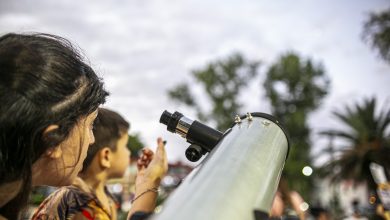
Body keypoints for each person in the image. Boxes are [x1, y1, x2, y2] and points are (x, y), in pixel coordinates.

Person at [0, 33, 167, 220]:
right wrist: (149, 183)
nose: (92, 138)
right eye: (89, 125)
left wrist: (147, 183)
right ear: (52, 140)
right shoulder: (79, 206)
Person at [32, 108, 168, 219]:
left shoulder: (103, 198)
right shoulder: (78, 203)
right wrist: (149, 182)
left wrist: (147, 182)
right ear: (106, 156)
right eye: (125, 146)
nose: (128, 153)